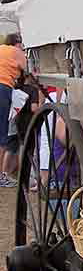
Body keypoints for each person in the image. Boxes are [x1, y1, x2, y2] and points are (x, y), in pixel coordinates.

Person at [0, 34, 26, 186]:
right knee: (2, 136)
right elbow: (29, 70)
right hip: (3, 88)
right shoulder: (16, 52)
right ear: (17, 44)